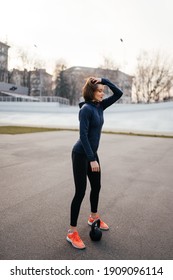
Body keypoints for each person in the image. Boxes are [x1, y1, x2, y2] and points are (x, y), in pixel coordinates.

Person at [66, 77, 123, 249]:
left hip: (92, 153)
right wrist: (91, 159)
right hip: (81, 154)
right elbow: (83, 136)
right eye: (99, 91)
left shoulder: (100, 106)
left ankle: (93, 217)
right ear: (92, 92)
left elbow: (118, 93)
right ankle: (71, 232)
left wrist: (103, 80)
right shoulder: (86, 109)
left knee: (96, 187)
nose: (102, 93)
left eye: (102, 91)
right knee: (80, 191)